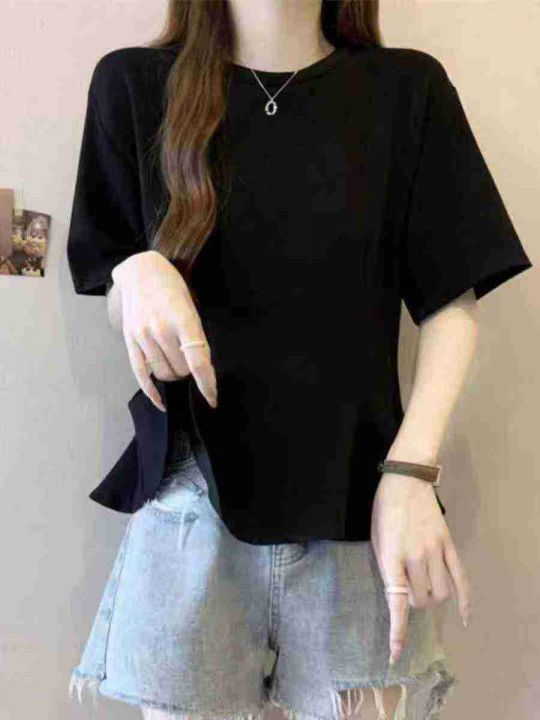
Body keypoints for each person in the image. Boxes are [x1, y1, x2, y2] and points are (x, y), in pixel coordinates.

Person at [66, 2, 533, 719]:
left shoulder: (405, 91)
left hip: (361, 506)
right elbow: (112, 285)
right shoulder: (133, 85)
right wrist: (136, 272)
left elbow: (451, 300)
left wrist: (412, 473)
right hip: (195, 504)